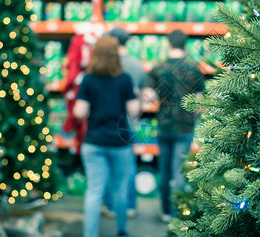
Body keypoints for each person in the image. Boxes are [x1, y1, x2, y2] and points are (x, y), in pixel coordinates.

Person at [74, 37, 139, 237]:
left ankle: (90, 234)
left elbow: (79, 111)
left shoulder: (88, 80)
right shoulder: (125, 79)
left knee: (94, 191)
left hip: (94, 142)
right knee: (120, 189)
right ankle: (121, 230)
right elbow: (133, 110)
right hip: (120, 143)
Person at [142, 29, 205, 222]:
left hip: (164, 126)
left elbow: (147, 96)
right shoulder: (193, 68)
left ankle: (165, 211)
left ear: (168, 43)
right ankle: (177, 214)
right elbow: (199, 101)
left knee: (164, 170)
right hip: (185, 127)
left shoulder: (158, 67)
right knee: (179, 171)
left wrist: (159, 99)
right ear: (184, 44)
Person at [103, 27, 147, 218]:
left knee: (105, 165)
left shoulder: (105, 64)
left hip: (106, 120)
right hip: (128, 121)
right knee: (128, 165)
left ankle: (110, 206)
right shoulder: (137, 65)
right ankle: (129, 205)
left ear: (113, 40)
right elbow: (143, 96)